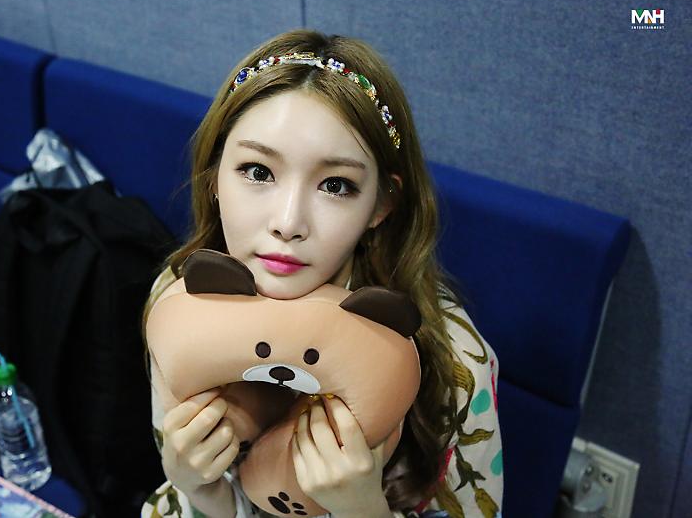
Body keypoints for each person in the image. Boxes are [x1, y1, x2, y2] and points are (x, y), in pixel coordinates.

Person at [141, 29, 503, 518]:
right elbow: (188, 481)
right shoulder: (180, 303)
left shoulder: (455, 361)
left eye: (335, 185)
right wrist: (202, 494)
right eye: (258, 172)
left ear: (381, 204)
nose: (288, 223)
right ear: (214, 180)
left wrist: (363, 509)